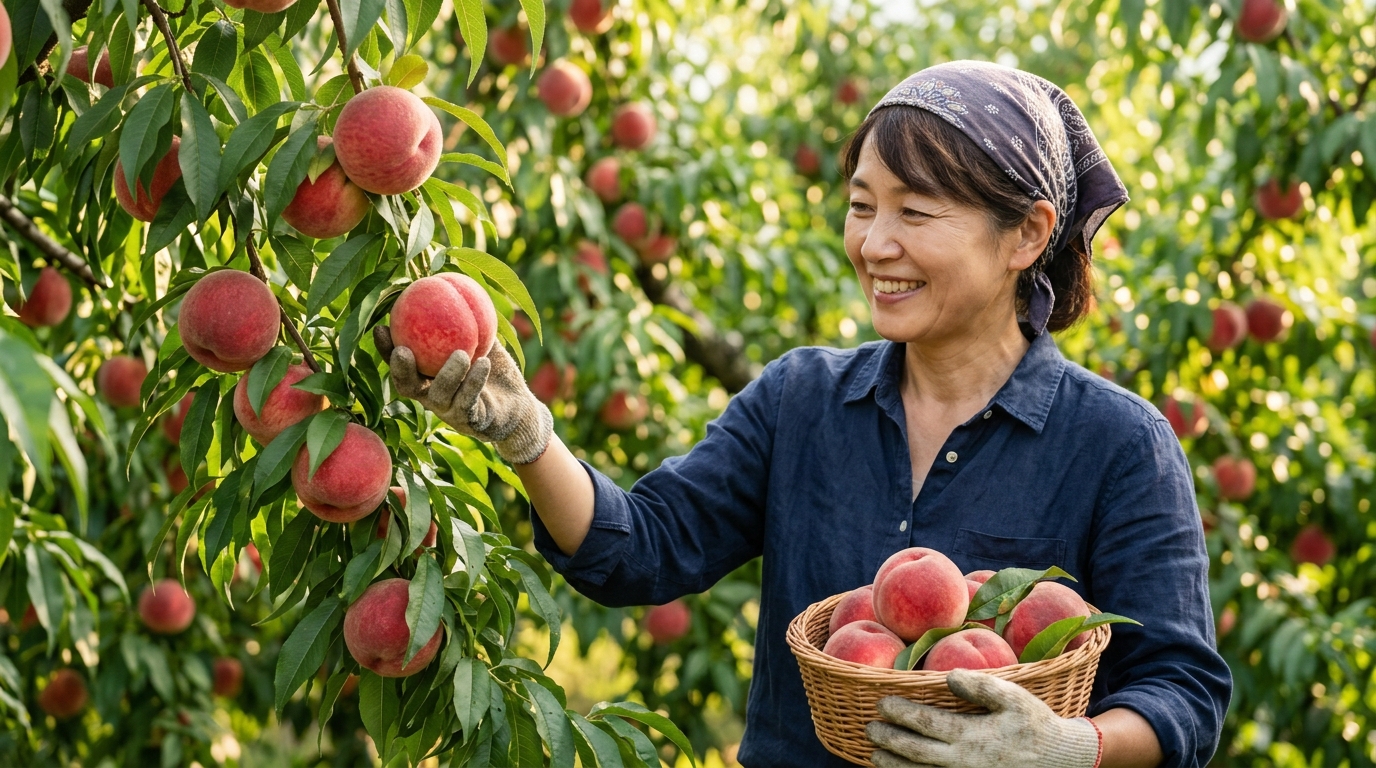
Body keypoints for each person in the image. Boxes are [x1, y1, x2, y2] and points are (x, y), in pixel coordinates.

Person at [373, 59, 1232, 768]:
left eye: (915, 212)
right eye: (862, 206)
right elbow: (641, 550)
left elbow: (1182, 697)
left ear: (1027, 235)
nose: (875, 244)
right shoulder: (802, 402)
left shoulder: (1118, 444)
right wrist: (528, 437)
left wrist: (1063, 748)